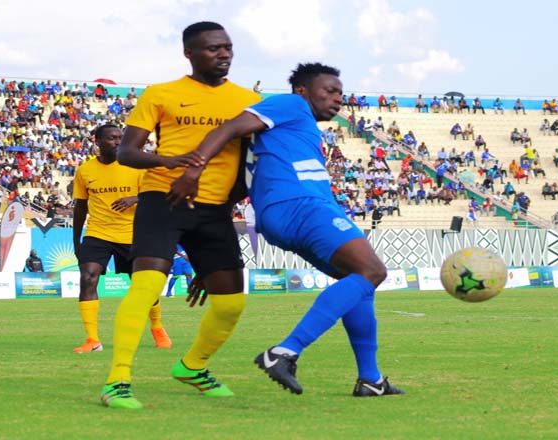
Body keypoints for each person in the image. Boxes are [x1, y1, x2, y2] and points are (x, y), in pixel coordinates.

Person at [168, 62, 403, 397]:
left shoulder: (289, 129)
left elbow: (242, 181)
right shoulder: (290, 104)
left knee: (358, 281)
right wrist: (194, 168)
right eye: (330, 90)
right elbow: (230, 127)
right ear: (303, 90)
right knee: (372, 271)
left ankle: (371, 379)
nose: (338, 98)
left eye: (340, 93)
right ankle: (285, 352)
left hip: (286, 211)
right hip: (300, 205)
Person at [99, 21, 261, 410]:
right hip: (162, 200)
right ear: (189, 53)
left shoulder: (248, 100)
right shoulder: (161, 94)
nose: (223, 54)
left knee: (230, 303)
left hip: (215, 210)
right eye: (213, 49)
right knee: (146, 287)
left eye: (228, 47)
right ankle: (116, 381)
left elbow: (249, 166)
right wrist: (172, 163)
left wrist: (227, 203)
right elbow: (126, 152)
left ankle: (193, 366)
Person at [72, 124, 171, 355]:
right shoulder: (85, 171)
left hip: (133, 234)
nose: (117, 142)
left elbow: (159, 197)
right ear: (97, 141)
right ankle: (92, 340)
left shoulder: (137, 168)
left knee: (143, 285)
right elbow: (80, 207)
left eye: (120, 138)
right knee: (88, 277)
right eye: (111, 138)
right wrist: (77, 242)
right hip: (98, 233)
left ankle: (157, 327)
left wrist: (135, 199)